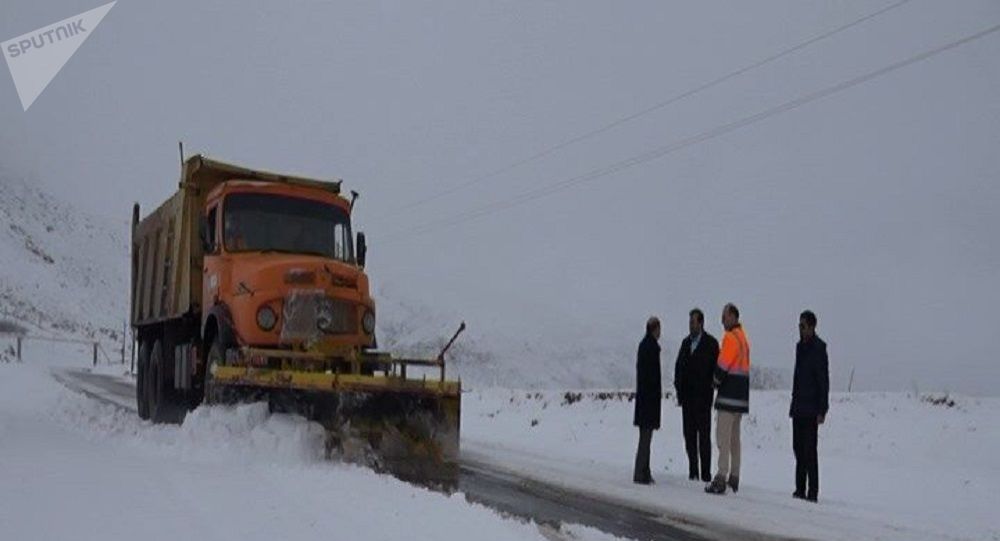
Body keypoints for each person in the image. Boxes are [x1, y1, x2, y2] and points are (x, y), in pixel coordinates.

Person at [705, 303, 750, 495]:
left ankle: (721, 477)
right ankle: (734, 476)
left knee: (722, 439)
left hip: (728, 397)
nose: (722, 321)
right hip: (740, 399)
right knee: (734, 440)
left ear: (732, 316)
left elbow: (723, 365)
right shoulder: (743, 338)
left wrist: (714, 381)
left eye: (724, 317)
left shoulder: (730, 338)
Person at [674, 308, 719, 482]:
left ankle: (705, 474)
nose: (690, 326)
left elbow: (717, 370)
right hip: (687, 400)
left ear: (701, 323)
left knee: (704, 438)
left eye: (693, 322)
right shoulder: (685, 344)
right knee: (689, 436)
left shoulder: (711, 344)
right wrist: (679, 390)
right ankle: (693, 472)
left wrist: (711, 387)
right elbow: (679, 369)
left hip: (703, 400)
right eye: (689, 322)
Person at [790, 310, 829, 502]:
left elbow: (823, 381)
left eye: (803, 326)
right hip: (798, 406)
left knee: (810, 451)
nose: (800, 329)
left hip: (812, 407)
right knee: (797, 448)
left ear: (812, 327)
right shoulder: (800, 347)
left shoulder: (819, 348)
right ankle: (799, 488)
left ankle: (812, 491)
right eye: (799, 325)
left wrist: (822, 409)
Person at [633, 316, 662, 485]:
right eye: (659, 329)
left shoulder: (646, 346)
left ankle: (645, 471)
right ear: (654, 329)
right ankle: (640, 473)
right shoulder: (650, 348)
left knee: (646, 438)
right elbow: (651, 378)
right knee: (645, 439)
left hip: (645, 401)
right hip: (648, 401)